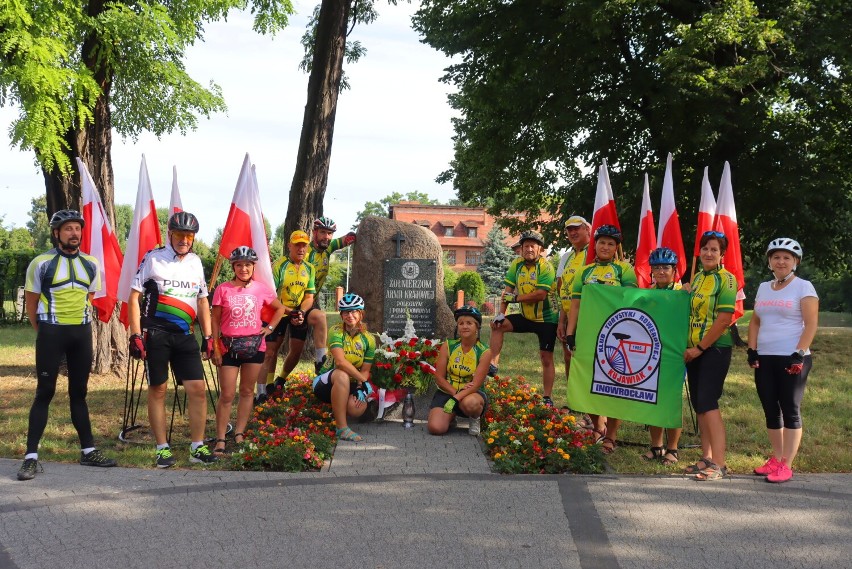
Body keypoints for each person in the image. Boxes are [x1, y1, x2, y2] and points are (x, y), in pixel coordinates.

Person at [17, 210, 118, 480]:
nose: (74, 233)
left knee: (79, 393)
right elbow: (31, 304)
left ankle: (88, 451)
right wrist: (46, 331)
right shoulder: (41, 263)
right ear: (56, 233)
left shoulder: (91, 263)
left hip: (81, 334)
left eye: (77, 228)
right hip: (51, 332)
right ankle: (30, 457)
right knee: (45, 392)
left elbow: (90, 296)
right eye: (68, 229)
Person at [128, 211, 217, 468]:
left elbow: (202, 300)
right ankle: (162, 448)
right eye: (180, 234)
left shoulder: (196, 262)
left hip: (186, 335)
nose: (184, 240)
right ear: (170, 234)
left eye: (189, 236)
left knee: (197, 390)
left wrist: (208, 335)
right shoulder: (153, 258)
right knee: (158, 389)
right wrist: (136, 334)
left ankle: (197, 447)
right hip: (157, 335)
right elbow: (134, 297)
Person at [748, 238, 818, 483]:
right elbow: (756, 321)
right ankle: (776, 459)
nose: (781, 261)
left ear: (795, 262)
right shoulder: (764, 288)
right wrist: (752, 349)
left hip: (792, 357)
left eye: (787, 257)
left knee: (790, 408)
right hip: (765, 357)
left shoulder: (804, 287)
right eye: (776, 257)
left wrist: (799, 353)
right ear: (769, 261)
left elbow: (811, 324)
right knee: (770, 408)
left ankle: (787, 464)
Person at [564, 224, 637, 453]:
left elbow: (632, 300)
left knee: (614, 386)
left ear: (616, 248)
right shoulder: (584, 272)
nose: (605, 247)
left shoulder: (624, 270)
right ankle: (598, 426)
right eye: (602, 242)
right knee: (589, 383)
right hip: (588, 333)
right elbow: (575, 305)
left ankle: (611, 437)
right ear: (595, 244)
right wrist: (570, 333)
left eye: (610, 243)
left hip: (615, 334)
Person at [210, 247, 286, 456]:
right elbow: (215, 320)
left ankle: (240, 432)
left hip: (255, 346)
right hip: (228, 347)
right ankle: (220, 438)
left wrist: (269, 328)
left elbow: (280, 309)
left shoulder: (261, 289)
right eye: (239, 265)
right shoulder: (222, 289)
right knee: (226, 394)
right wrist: (215, 346)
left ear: (253, 266)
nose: (243, 268)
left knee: (246, 391)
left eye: (248, 265)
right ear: (233, 267)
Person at [272, 217, 356, 382]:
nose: (326, 236)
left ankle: (316, 362)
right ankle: (265, 386)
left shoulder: (328, 247)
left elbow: (346, 239)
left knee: (297, 348)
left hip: (305, 304)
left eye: (329, 233)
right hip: (284, 305)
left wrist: (357, 236)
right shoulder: (305, 252)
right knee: (272, 350)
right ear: (314, 233)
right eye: (323, 232)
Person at [682, 231, 737, 481]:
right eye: (704, 248)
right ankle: (706, 458)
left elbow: (724, 320)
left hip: (713, 349)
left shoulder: (727, 280)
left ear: (721, 254)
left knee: (708, 403)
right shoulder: (695, 279)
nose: (708, 253)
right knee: (699, 405)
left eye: (714, 249)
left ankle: (720, 464)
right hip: (693, 350)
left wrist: (700, 348)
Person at [489, 230, 559, 406]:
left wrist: (516, 298)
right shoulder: (517, 264)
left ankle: (547, 397)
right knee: (498, 325)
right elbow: (507, 291)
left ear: (540, 249)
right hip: (526, 316)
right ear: (520, 249)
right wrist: (501, 314)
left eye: (532, 246)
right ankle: (492, 366)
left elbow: (541, 295)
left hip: (547, 319)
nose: (528, 249)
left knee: (546, 357)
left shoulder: (546, 267)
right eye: (525, 246)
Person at [257, 230, 317, 402]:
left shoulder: (309, 268)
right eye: (297, 245)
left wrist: (302, 312)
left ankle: (279, 381)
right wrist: (288, 311)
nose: (301, 249)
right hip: (279, 312)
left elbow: (309, 297)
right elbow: (270, 296)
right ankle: (263, 390)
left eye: (304, 245)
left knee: (297, 350)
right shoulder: (279, 266)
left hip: (298, 312)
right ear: (289, 245)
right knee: (270, 352)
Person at [312, 293, 375, 442]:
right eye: (346, 312)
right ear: (341, 315)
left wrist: (360, 386)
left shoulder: (369, 339)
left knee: (356, 408)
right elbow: (340, 362)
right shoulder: (336, 331)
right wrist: (364, 381)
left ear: (361, 314)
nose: (350, 315)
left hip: (352, 383)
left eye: (354, 311)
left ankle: (339, 409)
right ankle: (341, 428)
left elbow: (365, 370)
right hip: (326, 382)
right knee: (342, 374)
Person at [641, 247, 684, 466]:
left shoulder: (683, 293)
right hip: (652, 354)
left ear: (674, 270)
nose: (660, 271)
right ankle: (656, 446)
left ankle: (673, 449)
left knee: (672, 401)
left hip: (675, 354)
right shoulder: (648, 293)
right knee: (652, 399)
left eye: (665, 267)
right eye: (656, 267)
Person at [428, 306, 491, 436]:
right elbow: (439, 377)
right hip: (448, 392)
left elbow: (477, 383)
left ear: (477, 328)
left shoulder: (484, 351)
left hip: (471, 393)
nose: (464, 326)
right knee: (436, 428)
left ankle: (474, 418)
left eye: (469, 323)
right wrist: (455, 394)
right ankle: (451, 417)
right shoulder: (449, 345)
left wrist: (458, 397)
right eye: (461, 323)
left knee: (471, 403)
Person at [555, 215, 591, 412]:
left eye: (577, 228)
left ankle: (587, 401)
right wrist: (561, 321)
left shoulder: (593, 254)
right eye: (569, 230)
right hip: (569, 315)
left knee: (585, 358)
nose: (573, 233)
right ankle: (573, 399)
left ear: (587, 229)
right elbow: (562, 289)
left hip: (589, 315)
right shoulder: (566, 257)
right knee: (569, 357)